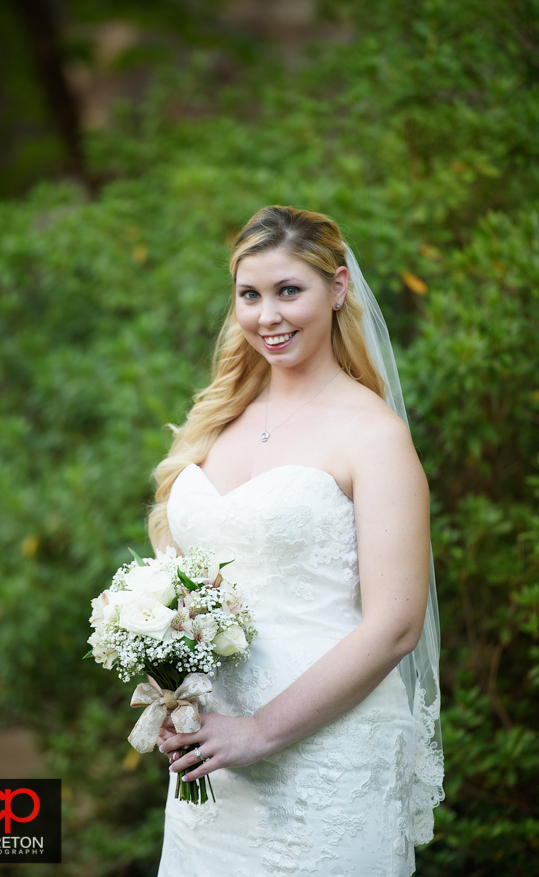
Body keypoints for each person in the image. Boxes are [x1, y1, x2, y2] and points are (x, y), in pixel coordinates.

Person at [150, 206, 444, 876]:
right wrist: (168, 682)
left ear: (337, 288)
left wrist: (261, 730)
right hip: (210, 755)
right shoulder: (216, 421)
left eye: (289, 291)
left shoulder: (371, 434)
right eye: (249, 295)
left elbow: (395, 625)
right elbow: (179, 591)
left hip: (325, 748)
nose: (267, 315)